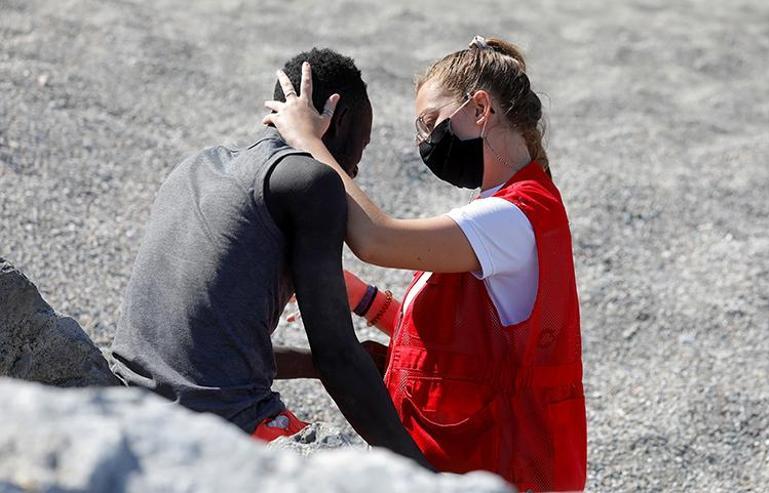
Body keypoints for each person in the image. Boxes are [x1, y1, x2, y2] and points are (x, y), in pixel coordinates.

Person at [263, 36, 586, 491]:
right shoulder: (503, 209)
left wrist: (308, 142)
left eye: (431, 122)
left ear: (479, 109)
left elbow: (376, 239)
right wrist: (364, 299)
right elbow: (462, 343)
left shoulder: (514, 216)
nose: (424, 141)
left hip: (499, 462)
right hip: (473, 457)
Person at [109, 48, 431, 469]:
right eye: (362, 146)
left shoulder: (195, 167)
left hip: (125, 401)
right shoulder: (311, 183)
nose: (355, 167)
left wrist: (309, 365)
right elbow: (338, 359)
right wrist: (420, 474)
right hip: (223, 427)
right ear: (343, 120)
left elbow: (202, 351)